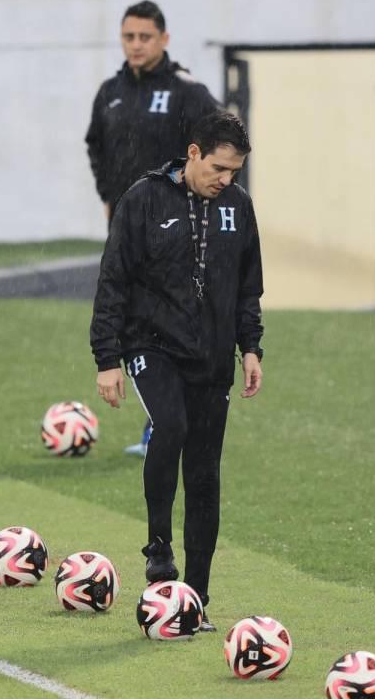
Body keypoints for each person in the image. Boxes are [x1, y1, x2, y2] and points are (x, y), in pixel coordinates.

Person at [89, 111, 264, 632]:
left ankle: (198, 598)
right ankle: (158, 548)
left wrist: (250, 347)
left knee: (206, 475)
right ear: (192, 153)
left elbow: (248, 288)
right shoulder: (142, 200)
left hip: (213, 358)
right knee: (171, 426)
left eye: (234, 171)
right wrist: (107, 358)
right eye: (217, 168)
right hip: (152, 344)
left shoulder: (239, 208)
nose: (224, 180)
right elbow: (113, 280)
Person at [85, 0, 220, 455]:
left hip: (176, 228)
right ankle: (163, 418)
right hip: (127, 227)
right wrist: (110, 196)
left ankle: (164, 423)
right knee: (132, 319)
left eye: (145, 37)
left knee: (173, 324)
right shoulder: (110, 93)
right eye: (129, 37)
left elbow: (220, 147)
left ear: (164, 39)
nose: (137, 45)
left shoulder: (187, 93)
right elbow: (95, 146)